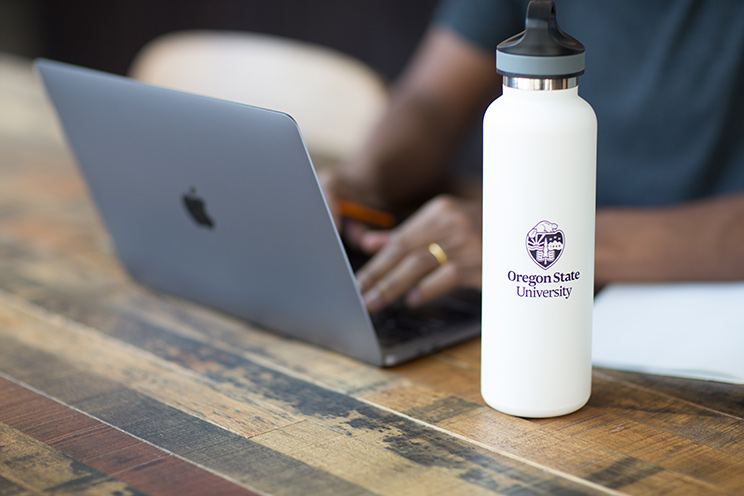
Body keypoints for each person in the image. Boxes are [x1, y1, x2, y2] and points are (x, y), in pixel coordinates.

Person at [320, 0, 744, 313]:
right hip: (537, 283)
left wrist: (535, 241)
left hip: (705, 295)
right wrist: (364, 179)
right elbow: (432, 100)